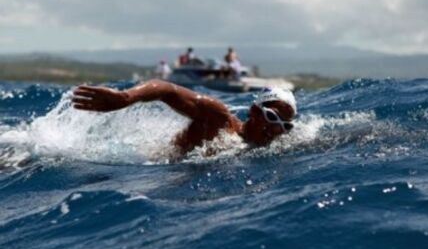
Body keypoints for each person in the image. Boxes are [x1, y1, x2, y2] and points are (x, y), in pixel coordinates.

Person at [72, 80, 296, 154]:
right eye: (271, 117)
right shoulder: (217, 119)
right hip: (145, 168)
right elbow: (167, 90)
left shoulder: (269, 147)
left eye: (284, 126)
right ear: (254, 112)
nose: (274, 130)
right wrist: (126, 97)